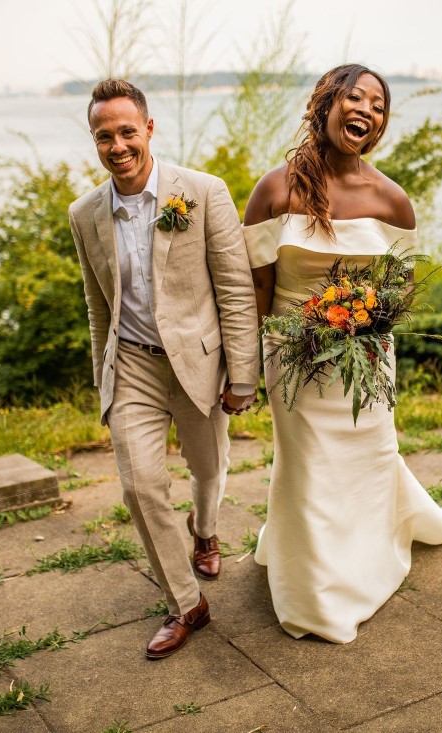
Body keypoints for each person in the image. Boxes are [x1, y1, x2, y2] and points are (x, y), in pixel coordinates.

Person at [242, 64, 442, 643]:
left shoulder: (392, 201)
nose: (366, 110)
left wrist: (365, 319)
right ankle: (315, 593)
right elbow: (258, 288)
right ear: (326, 104)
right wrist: (249, 364)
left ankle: (367, 555)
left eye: (378, 105)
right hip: (292, 355)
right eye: (355, 97)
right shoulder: (274, 190)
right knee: (308, 467)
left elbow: (401, 292)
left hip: (367, 357)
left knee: (367, 459)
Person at [69, 79, 260, 659]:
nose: (118, 146)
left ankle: (205, 530)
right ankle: (186, 603)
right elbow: (97, 304)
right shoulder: (84, 214)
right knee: (139, 486)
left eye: (127, 131)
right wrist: (104, 380)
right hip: (131, 365)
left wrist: (243, 375)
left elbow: (235, 288)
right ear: (94, 141)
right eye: (104, 136)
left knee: (208, 467)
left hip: (198, 362)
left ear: (149, 129)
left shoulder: (202, 192)